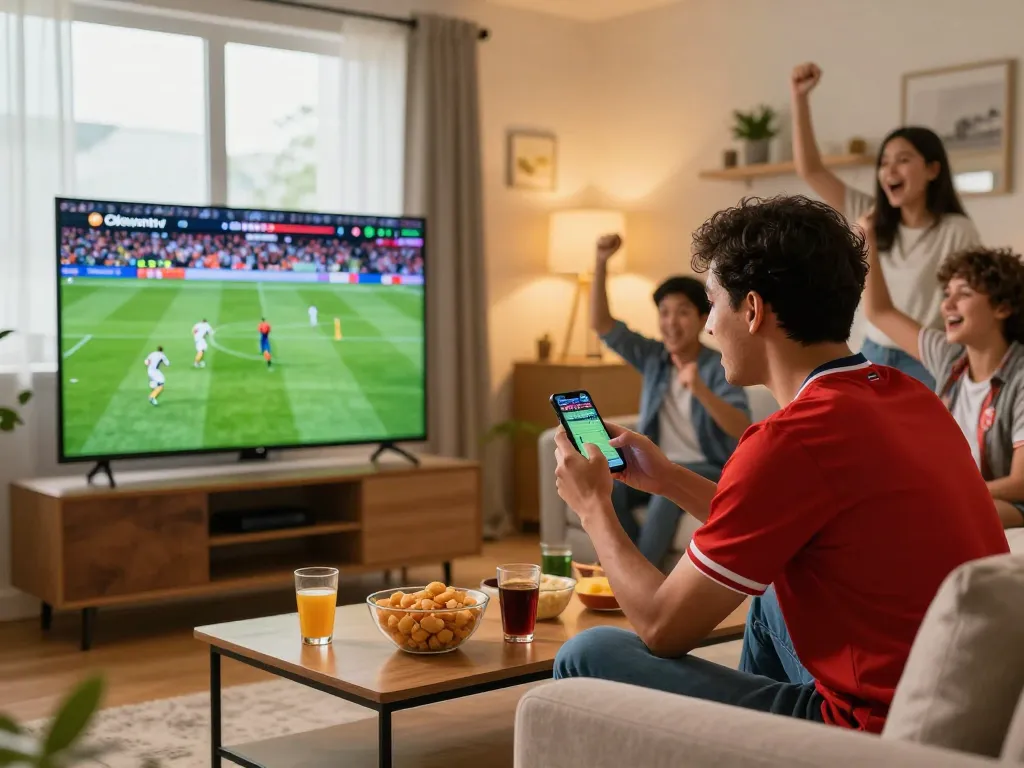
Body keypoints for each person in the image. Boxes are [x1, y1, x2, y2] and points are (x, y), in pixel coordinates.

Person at [552, 196, 1008, 733]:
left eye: (712, 305)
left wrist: (594, 507)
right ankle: (755, 748)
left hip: (872, 732)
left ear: (751, 310)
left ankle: (765, 745)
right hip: (961, 705)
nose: (709, 329)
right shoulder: (910, 395)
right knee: (768, 595)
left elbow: (660, 626)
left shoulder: (789, 439)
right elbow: (779, 517)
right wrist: (669, 479)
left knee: (588, 650)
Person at [790, 62, 981, 389]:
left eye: (903, 160)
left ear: (933, 170)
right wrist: (799, 98)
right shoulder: (870, 213)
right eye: (884, 162)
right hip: (872, 351)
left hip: (924, 356)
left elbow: (970, 302)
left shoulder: (956, 230)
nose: (890, 170)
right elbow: (811, 170)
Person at [591, 233, 751, 569]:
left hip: (710, 468)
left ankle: (639, 575)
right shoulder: (654, 358)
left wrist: (700, 391)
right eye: (664, 313)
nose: (670, 323)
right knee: (611, 485)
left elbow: (742, 429)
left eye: (681, 313)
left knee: (667, 491)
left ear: (701, 318)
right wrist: (602, 261)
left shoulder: (719, 365)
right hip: (655, 462)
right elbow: (602, 325)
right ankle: (630, 571)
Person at [858, 207, 1024, 529]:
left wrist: (942, 493)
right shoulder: (950, 358)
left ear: (1003, 307)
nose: (947, 305)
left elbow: (1020, 483)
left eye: (964, 294)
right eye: (947, 294)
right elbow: (879, 312)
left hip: (1011, 503)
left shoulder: (1020, 377)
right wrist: (868, 241)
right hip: (961, 494)